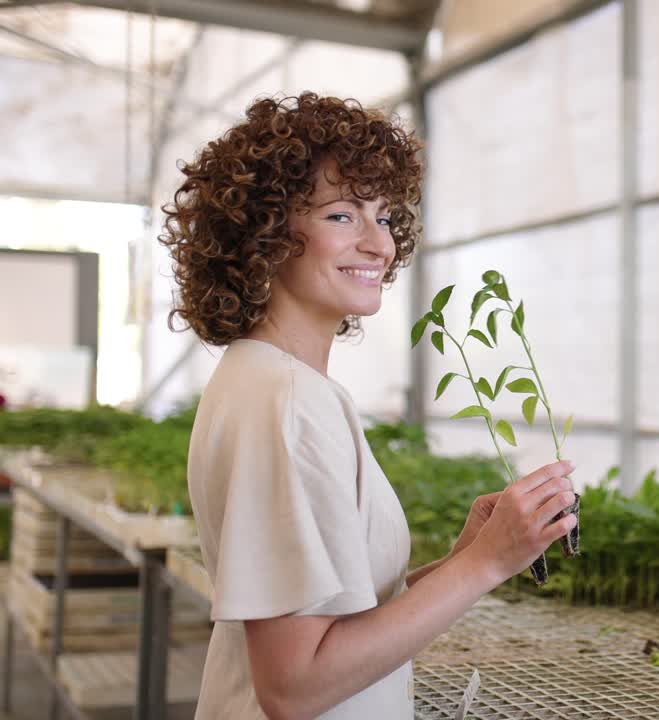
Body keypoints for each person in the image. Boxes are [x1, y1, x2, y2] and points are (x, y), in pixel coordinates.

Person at [159, 92, 577, 719]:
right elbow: (293, 686)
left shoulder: (260, 379)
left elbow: (331, 621)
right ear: (266, 235)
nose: (379, 244)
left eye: (384, 217)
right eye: (341, 216)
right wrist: (489, 564)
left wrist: (464, 558)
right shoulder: (287, 401)